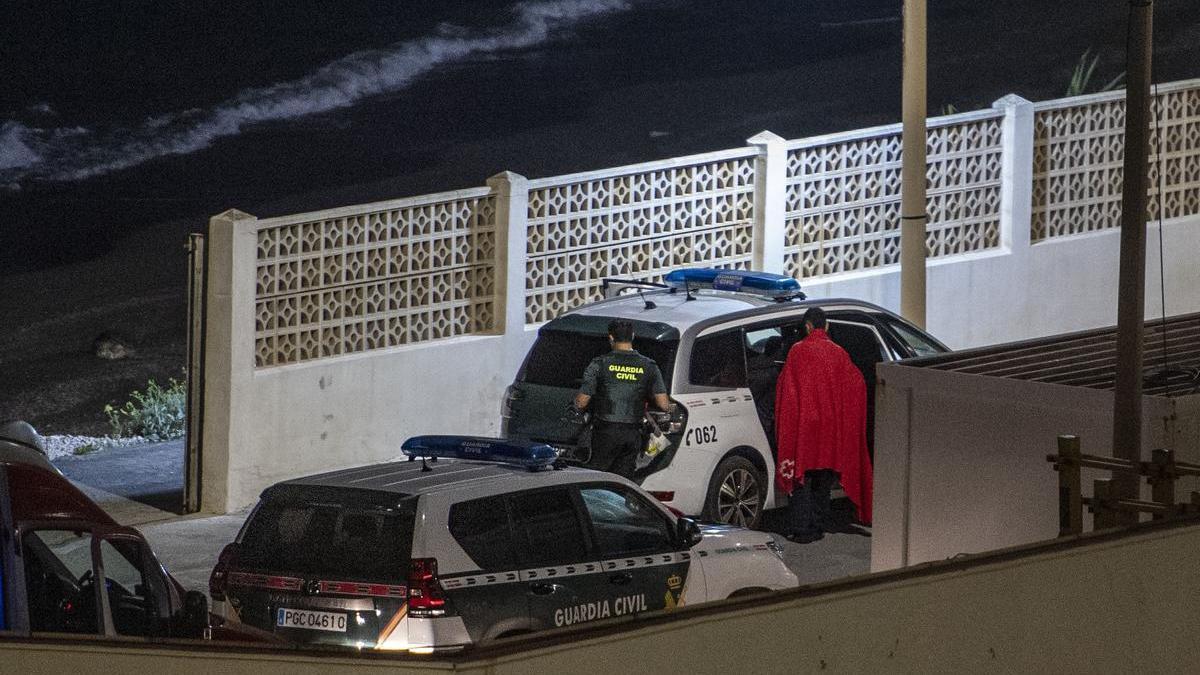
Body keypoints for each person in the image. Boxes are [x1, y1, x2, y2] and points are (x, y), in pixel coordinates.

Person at [774, 307, 872, 543]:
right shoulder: (838, 353)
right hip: (829, 428)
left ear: (807, 326)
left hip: (804, 427)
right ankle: (818, 524)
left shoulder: (797, 352)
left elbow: (786, 390)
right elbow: (857, 386)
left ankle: (801, 528)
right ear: (825, 326)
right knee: (823, 479)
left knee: (802, 480)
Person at [574, 320, 670, 479]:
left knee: (596, 479)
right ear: (632, 336)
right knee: (622, 482)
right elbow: (664, 404)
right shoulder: (649, 365)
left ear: (611, 338)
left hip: (605, 432)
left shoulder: (599, 363)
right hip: (633, 434)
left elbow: (581, 402)